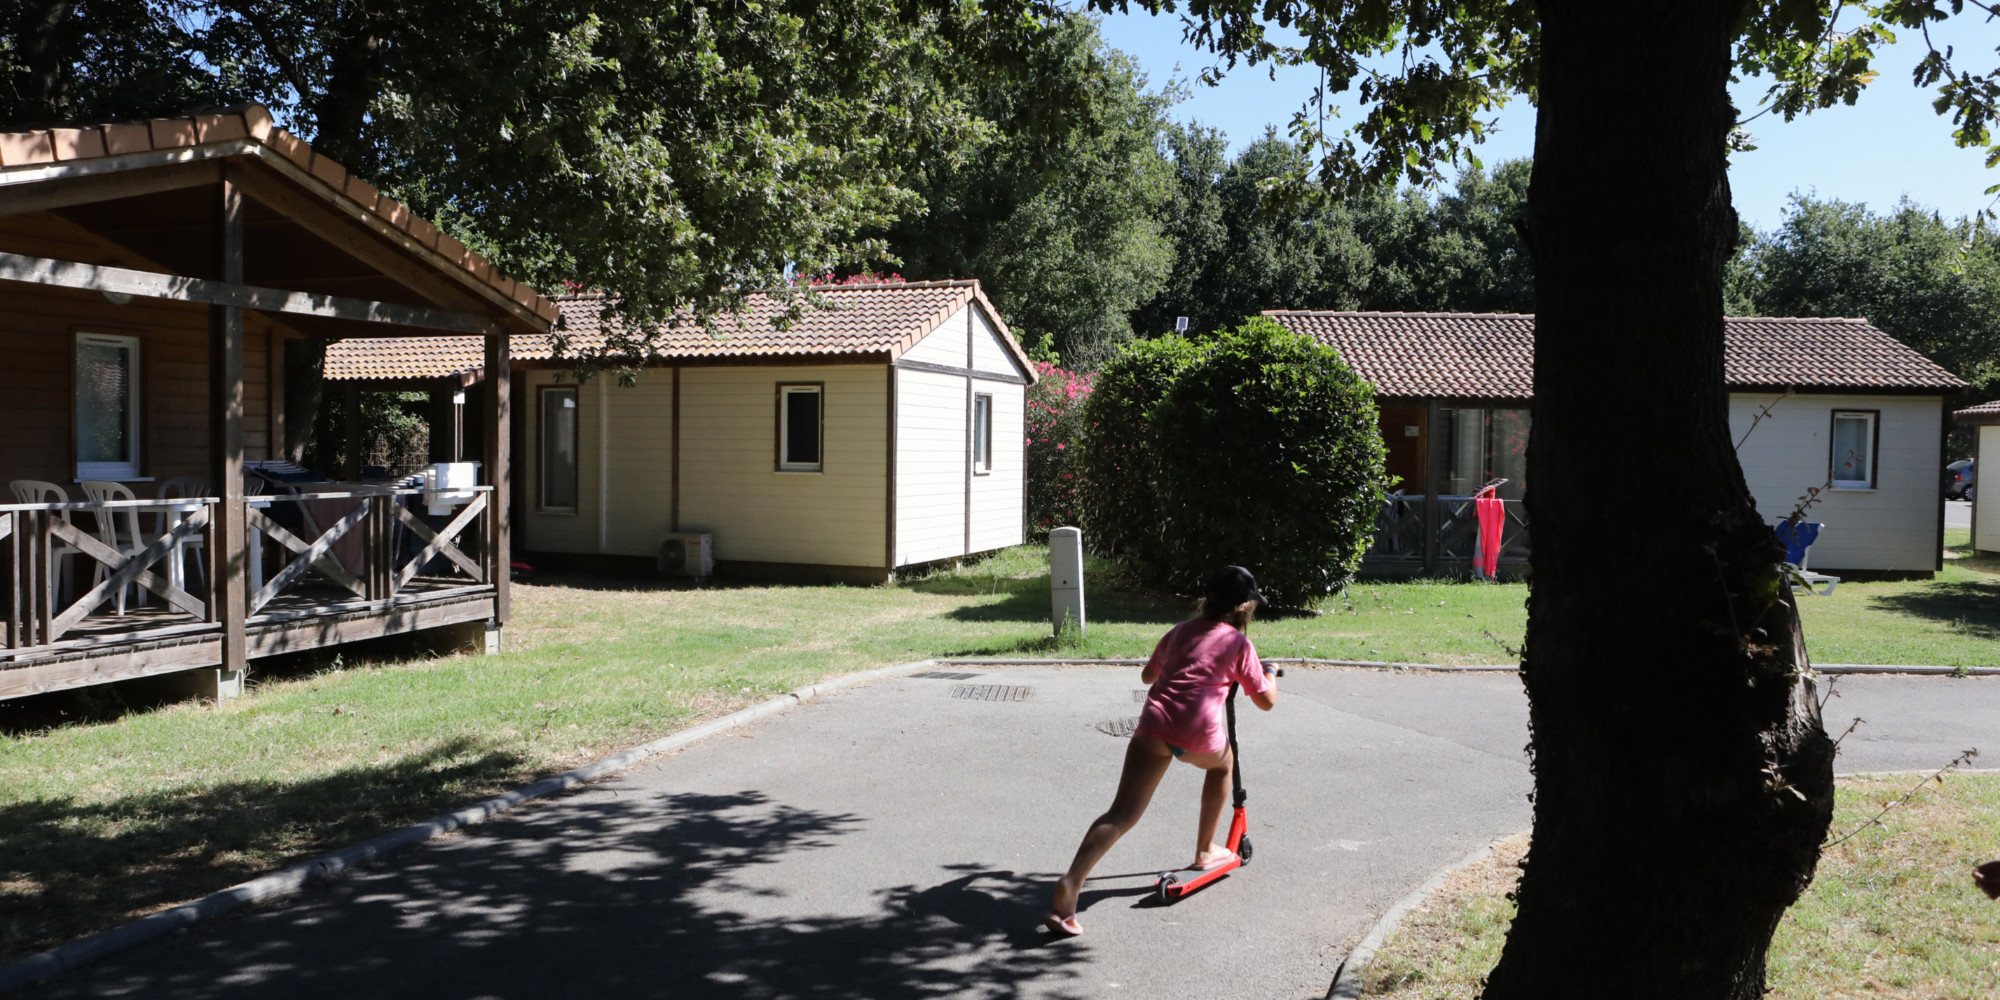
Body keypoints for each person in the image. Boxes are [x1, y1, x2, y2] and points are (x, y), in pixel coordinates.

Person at [1045, 564, 1278, 937]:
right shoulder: (1239, 644)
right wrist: (1269, 673)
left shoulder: (1179, 632)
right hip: (1197, 732)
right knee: (1223, 765)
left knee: (1121, 813)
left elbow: (1148, 677)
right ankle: (1205, 850)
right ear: (1245, 608)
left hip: (1153, 724)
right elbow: (1265, 702)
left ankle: (1072, 881)